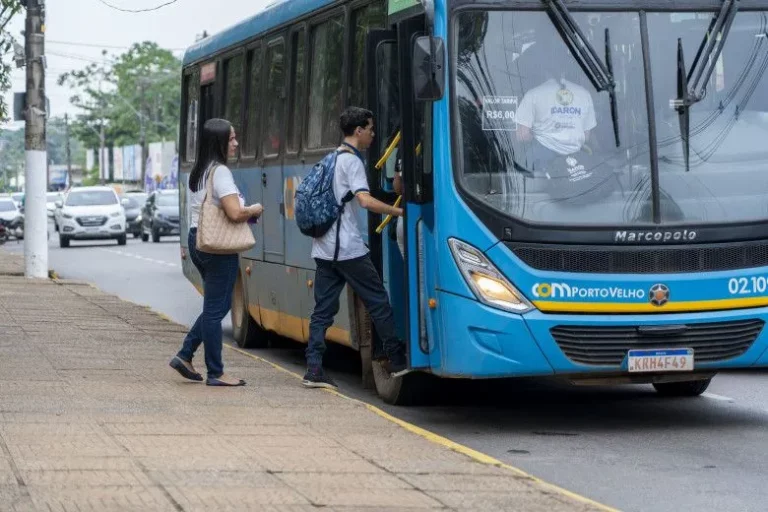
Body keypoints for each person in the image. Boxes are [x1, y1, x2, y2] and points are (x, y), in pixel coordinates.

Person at [304, 107, 406, 390]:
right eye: (370, 129)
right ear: (358, 131)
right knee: (378, 301)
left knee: (322, 311)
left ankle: (313, 368)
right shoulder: (352, 162)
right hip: (347, 249)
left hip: (323, 248)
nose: (373, 134)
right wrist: (399, 212)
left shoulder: (331, 158)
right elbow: (365, 201)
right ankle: (397, 359)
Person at [169, 118, 263, 387]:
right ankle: (216, 372)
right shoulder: (220, 172)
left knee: (217, 306)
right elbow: (234, 212)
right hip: (217, 246)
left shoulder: (199, 170)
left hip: (198, 240)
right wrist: (254, 210)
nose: (235, 143)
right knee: (215, 309)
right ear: (219, 142)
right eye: (231, 138)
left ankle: (185, 355)